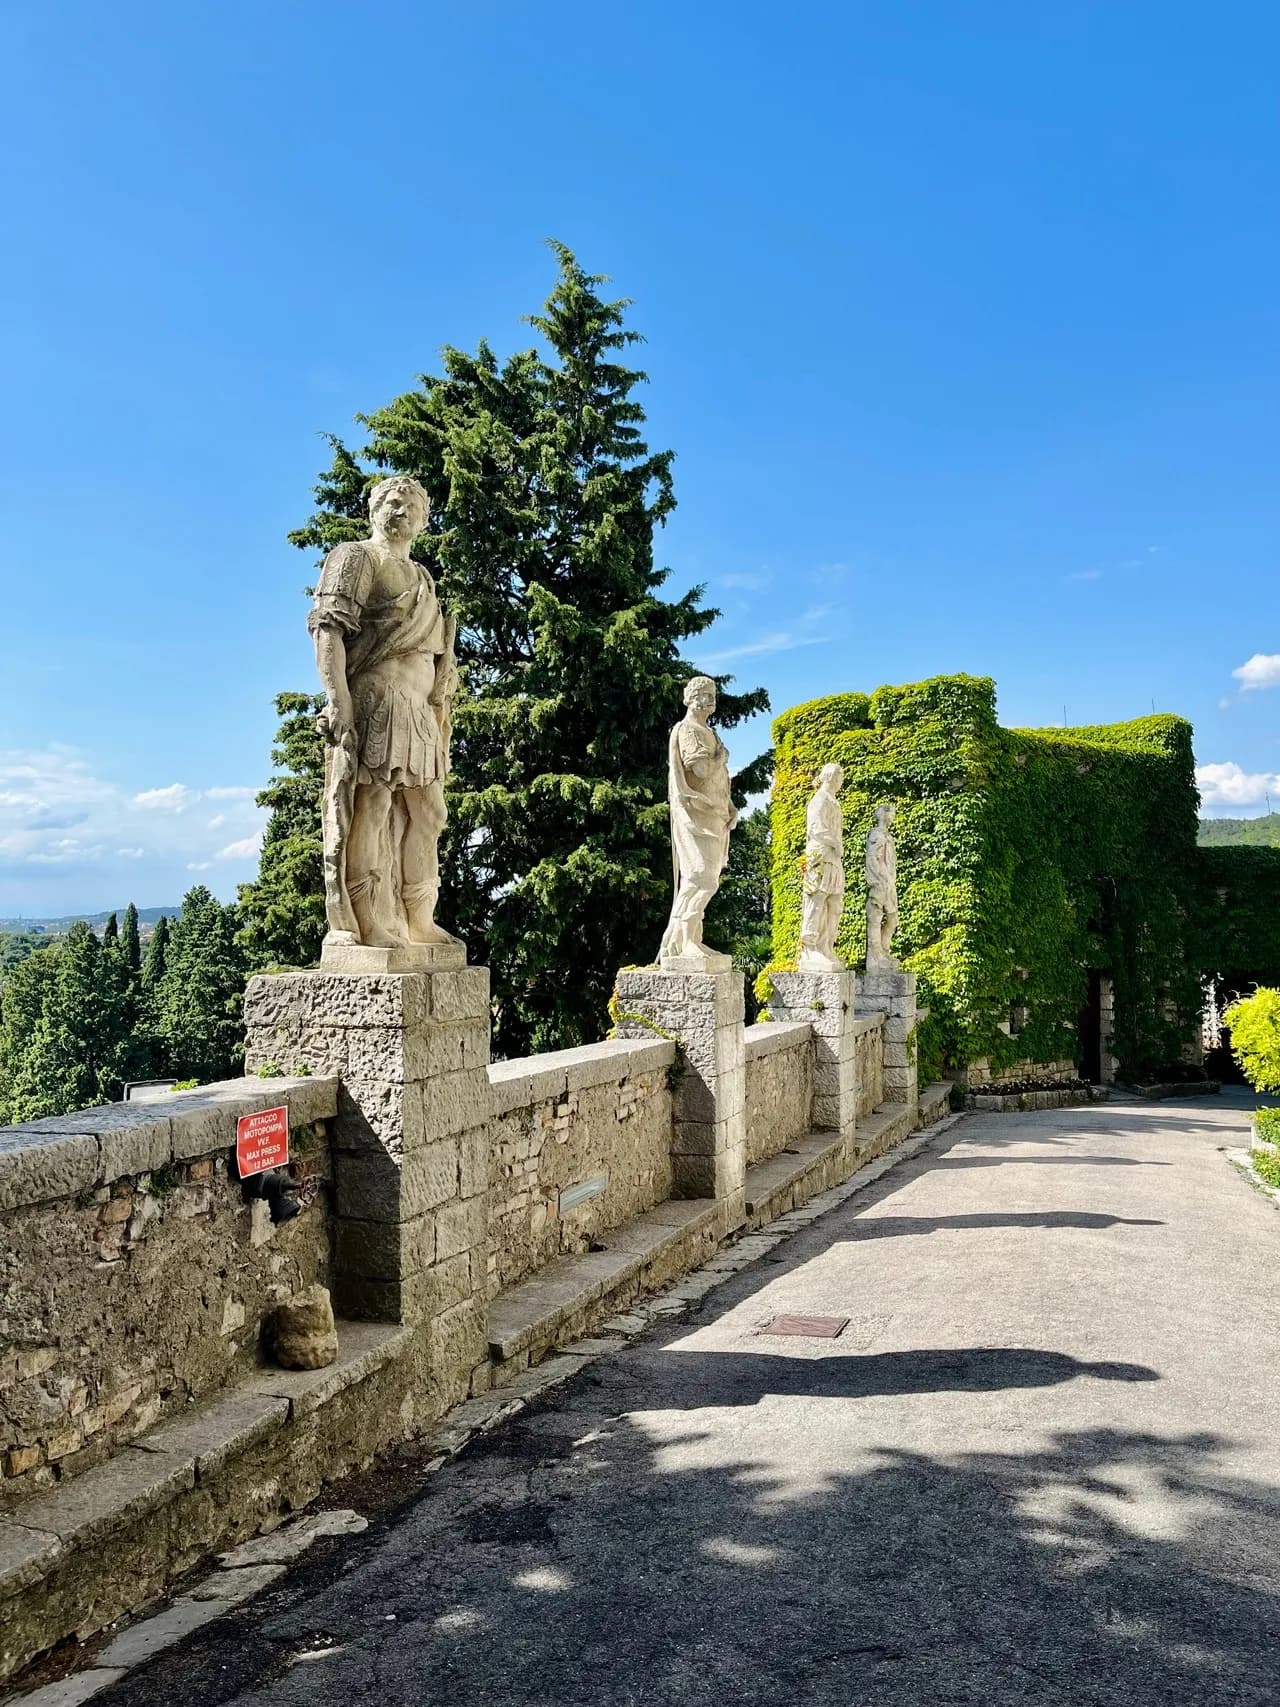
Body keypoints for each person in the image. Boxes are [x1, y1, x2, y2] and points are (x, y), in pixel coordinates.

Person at [309, 476, 457, 950]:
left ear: (425, 519)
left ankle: (418, 918)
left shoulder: (424, 578)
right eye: (393, 502)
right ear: (374, 509)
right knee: (371, 805)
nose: (403, 511)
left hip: (419, 711)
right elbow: (328, 629)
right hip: (377, 698)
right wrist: (337, 699)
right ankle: (368, 917)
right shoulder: (355, 557)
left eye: (413, 505)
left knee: (430, 813)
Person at [658, 676, 737, 963]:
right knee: (700, 878)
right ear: (691, 698)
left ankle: (691, 939)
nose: (711, 699)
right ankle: (683, 942)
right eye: (705, 694)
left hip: (715, 812)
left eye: (712, 694)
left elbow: (719, 780)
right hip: (696, 813)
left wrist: (729, 805)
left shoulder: (711, 733)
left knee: (707, 877)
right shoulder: (688, 730)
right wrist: (721, 757)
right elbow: (701, 770)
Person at [799, 763, 846, 970]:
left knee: (834, 903)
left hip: (833, 858)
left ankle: (826, 946)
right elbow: (817, 829)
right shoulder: (819, 800)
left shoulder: (833, 801)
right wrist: (835, 843)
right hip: (820, 856)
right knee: (817, 900)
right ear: (830, 777)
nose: (841, 781)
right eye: (839, 777)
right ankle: (811, 948)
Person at [865, 801, 899, 968]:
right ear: (885, 815)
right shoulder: (876, 835)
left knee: (892, 919)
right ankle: (875, 957)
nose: (893, 817)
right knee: (876, 918)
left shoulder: (888, 836)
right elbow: (872, 858)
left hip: (889, 883)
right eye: (891, 813)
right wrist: (878, 879)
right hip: (880, 882)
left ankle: (884, 951)